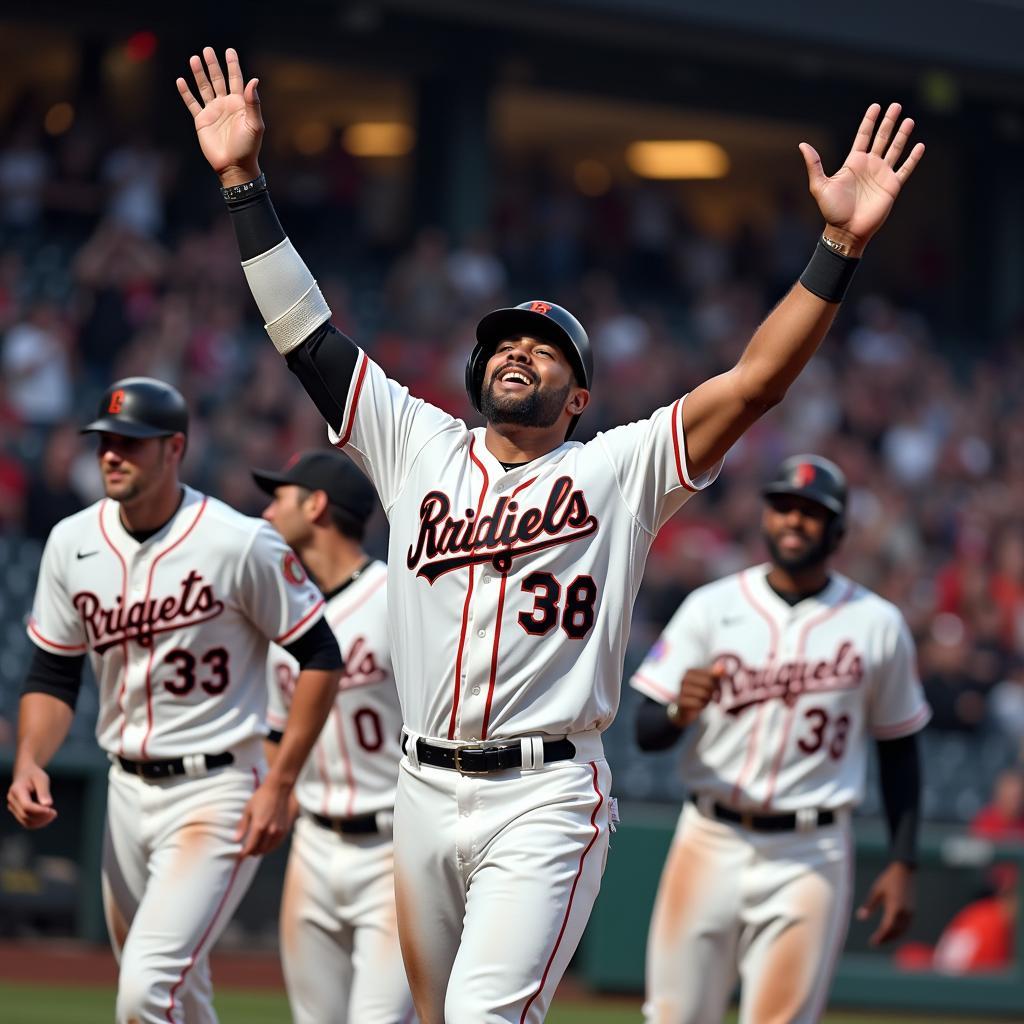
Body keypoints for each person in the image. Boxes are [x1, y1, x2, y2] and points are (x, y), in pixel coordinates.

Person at [178, 46, 924, 1023]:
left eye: (545, 349)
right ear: (476, 370)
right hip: (421, 780)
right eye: (503, 343)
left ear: (578, 396)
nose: (517, 352)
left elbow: (753, 383)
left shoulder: (616, 468)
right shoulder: (416, 445)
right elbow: (304, 333)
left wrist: (836, 251)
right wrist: (242, 181)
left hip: (545, 792)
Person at [6, 377, 343, 1024]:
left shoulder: (237, 540)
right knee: (180, 999)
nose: (112, 455)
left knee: (145, 990)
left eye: (132, 443)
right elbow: (52, 673)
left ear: (175, 449)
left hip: (217, 790)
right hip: (124, 794)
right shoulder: (71, 542)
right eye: (105, 441)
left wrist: (282, 779)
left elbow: (321, 654)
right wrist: (29, 760)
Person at [630, 455, 931, 1024]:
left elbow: (900, 748)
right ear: (766, 517)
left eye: (813, 513)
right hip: (708, 838)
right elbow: (647, 732)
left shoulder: (877, 623)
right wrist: (677, 710)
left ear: (838, 531)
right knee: (673, 1016)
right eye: (785, 507)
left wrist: (904, 861)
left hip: (809, 851)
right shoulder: (712, 607)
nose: (795, 521)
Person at [253, 449, 413, 1024]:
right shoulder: (284, 613)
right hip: (314, 843)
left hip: (396, 844)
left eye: (280, 498)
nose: (268, 513)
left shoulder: (398, 595)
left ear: (316, 505)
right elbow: (276, 730)